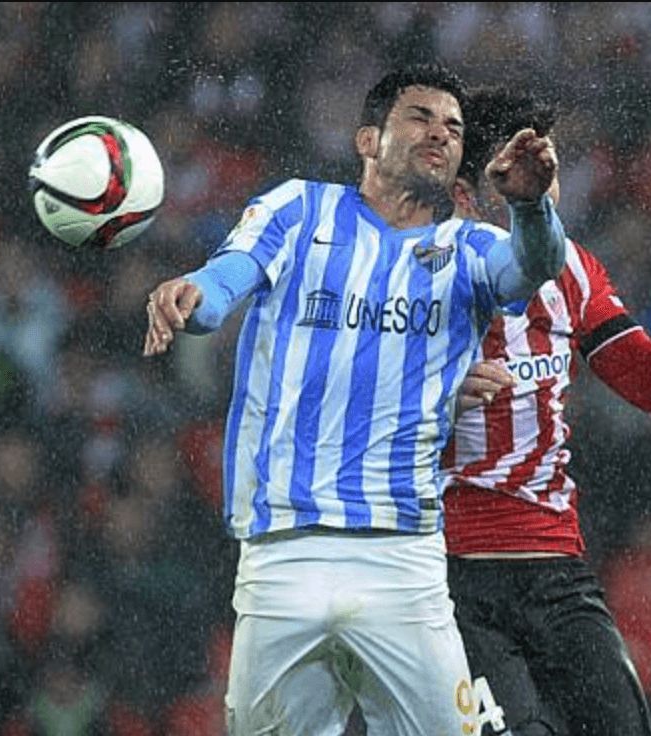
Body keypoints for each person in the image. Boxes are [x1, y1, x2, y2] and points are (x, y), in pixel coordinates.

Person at [142, 64, 567, 736]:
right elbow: (224, 281)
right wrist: (190, 295)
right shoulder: (298, 208)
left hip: (401, 557)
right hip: (284, 549)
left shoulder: (470, 246)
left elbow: (534, 265)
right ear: (368, 139)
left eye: (454, 128)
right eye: (421, 118)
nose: (441, 134)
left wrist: (531, 205)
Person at [442, 87, 651, 735]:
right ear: (465, 193)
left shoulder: (572, 269)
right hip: (456, 577)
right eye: (511, 172)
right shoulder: (424, 270)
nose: (535, 184)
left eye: (544, 169)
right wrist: (437, 391)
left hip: (556, 569)